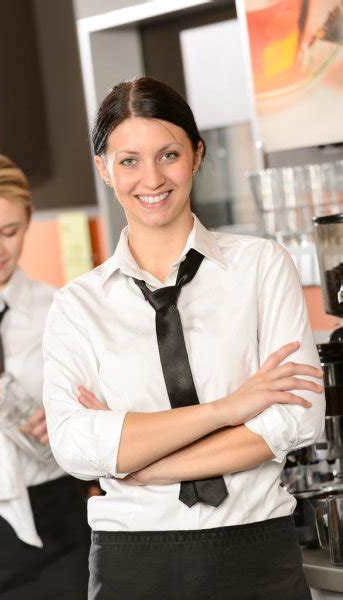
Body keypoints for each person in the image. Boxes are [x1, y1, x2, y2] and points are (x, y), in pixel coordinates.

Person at [42, 78, 325, 600]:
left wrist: (145, 459)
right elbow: (77, 447)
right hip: (134, 563)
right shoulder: (77, 306)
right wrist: (229, 409)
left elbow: (297, 416)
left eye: (168, 154)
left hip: (256, 550)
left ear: (195, 155)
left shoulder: (261, 267)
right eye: (129, 161)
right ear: (103, 168)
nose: (151, 178)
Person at [0, 155, 90, 598]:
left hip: (59, 520)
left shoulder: (63, 309)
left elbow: (106, 424)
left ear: (28, 221)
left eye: (9, 232)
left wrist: (66, 423)